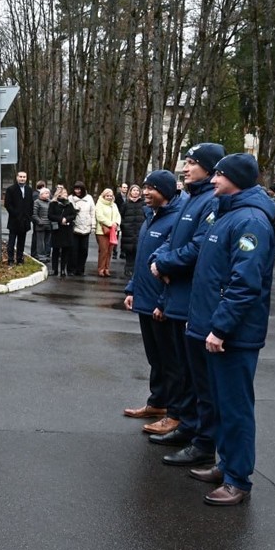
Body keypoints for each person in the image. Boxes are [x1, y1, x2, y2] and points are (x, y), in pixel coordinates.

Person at [185, 153, 275, 506]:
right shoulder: (227, 213)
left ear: (236, 178)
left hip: (234, 336)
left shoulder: (251, 221)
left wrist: (220, 328)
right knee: (222, 404)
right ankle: (226, 465)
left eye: (219, 174)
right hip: (216, 329)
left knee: (236, 407)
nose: (213, 180)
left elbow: (244, 284)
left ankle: (238, 480)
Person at [147, 142, 225, 457]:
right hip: (176, 297)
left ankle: (197, 435)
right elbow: (170, 240)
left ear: (209, 167)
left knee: (194, 376)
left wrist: (164, 264)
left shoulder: (209, 202)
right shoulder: (191, 199)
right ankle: (188, 427)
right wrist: (159, 259)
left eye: (192, 162)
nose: (185, 168)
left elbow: (197, 248)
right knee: (185, 370)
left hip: (191, 298)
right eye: (186, 162)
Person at [122, 171, 183, 423]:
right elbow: (142, 260)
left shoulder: (177, 220)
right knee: (154, 358)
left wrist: (162, 302)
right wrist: (132, 289)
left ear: (166, 191)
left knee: (170, 361)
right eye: (145, 187)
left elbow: (175, 268)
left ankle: (174, 410)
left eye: (152, 188)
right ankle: (157, 403)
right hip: (144, 300)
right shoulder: (152, 216)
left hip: (161, 305)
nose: (145, 192)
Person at [4, 171, 33, 265]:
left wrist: (28, 216)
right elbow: (8, 204)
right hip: (14, 220)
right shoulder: (11, 189)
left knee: (21, 241)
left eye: (24, 177)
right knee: (11, 242)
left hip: (25, 221)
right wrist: (15, 214)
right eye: (20, 176)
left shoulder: (29, 190)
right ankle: (11, 259)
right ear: (17, 177)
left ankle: (20, 259)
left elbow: (30, 204)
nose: (22, 178)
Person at [47, 186, 76, 277]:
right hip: (57, 229)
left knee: (65, 250)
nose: (66, 195)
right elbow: (50, 215)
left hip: (67, 229)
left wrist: (66, 219)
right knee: (55, 250)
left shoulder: (69, 204)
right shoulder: (53, 204)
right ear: (59, 194)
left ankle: (63, 269)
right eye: (64, 194)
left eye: (67, 194)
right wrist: (60, 219)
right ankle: (54, 269)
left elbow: (73, 215)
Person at [119, 185, 146, 278]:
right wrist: (124, 226)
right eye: (133, 190)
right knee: (129, 252)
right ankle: (128, 269)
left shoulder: (143, 204)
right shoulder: (126, 204)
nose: (135, 192)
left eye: (137, 190)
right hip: (128, 232)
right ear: (130, 192)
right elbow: (121, 216)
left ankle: (136, 270)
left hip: (139, 231)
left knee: (138, 252)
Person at [68, 181, 95, 275]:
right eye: (76, 189)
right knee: (73, 250)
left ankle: (81, 269)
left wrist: (93, 226)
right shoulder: (70, 198)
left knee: (84, 250)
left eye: (79, 189)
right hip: (75, 228)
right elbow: (68, 211)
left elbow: (93, 212)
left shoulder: (89, 198)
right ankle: (72, 269)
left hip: (86, 228)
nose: (77, 191)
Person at [94, 188, 121, 277]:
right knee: (103, 250)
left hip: (113, 231)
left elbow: (118, 216)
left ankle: (107, 268)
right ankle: (101, 268)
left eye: (110, 196)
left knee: (110, 251)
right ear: (103, 196)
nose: (109, 197)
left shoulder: (114, 205)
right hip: (102, 231)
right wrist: (110, 224)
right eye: (107, 196)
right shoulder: (99, 204)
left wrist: (116, 223)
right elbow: (99, 216)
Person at [31, 187, 52, 263]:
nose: (48, 195)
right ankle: (40, 256)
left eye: (48, 193)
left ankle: (47, 255)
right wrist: (39, 221)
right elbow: (34, 214)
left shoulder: (50, 202)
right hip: (40, 225)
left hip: (49, 225)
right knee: (40, 241)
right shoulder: (37, 202)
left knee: (48, 241)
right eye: (46, 193)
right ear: (41, 194)